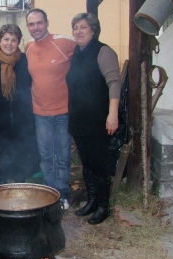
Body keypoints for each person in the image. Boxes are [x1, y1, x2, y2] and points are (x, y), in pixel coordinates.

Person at [66, 13, 120, 224]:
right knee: (87, 164)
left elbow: (114, 82)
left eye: (83, 27)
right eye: (75, 27)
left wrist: (112, 114)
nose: (78, 31)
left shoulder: (103, 51)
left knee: (98, 165)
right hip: (79, 119)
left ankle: (103, 206)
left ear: (93, 30)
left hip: (99, 120)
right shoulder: (76, 53)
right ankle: (92, 200)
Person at [25, 8, 76, 209]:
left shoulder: (64, 42)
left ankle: (62, 194)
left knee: (62, 156)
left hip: (63, 111)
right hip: (40, 113)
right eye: (31, 24)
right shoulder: (28, 47)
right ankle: (49, 194)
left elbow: (87, 51)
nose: (35, 27)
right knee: (45, 157)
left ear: (47, 23)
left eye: (39, 23)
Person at [0, 24, 40, 184]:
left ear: (18, 42)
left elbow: (39, 81)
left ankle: (20, 184)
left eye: (14, 40)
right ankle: (1, 186)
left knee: (21, 151)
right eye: (6, 39)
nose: (9, 43)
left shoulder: (26, 61)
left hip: (23, 117)